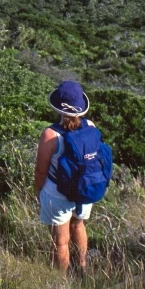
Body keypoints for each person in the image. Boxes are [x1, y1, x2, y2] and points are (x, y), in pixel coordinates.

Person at [34, 79, 102, 273]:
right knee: (78, 225)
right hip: (84, 190)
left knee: (61, 241)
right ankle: (82, 267)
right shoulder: (91, 126)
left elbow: (41, 170)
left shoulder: (50, 134)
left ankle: (62, 282)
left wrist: (38, 191)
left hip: (58, 194)